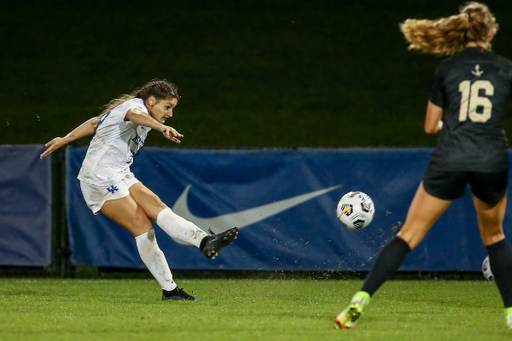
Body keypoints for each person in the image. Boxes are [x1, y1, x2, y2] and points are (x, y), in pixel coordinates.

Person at [335, 2, 512, 329]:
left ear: (460, 32)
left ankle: (360, 300)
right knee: (495, 236)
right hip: (491, 158)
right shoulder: (505, 68)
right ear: (489, 32)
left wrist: (458, 126)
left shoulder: (447, 69)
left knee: (408, 235)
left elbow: (431, 126)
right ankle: (511, 314)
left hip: (452, 157)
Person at [40, 80, 239, 301]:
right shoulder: (135, 108)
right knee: (143, 228)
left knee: (157, 205)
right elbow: (134, 114)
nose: (170, 113)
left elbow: (96, 123)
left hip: (119, 172)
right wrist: (161, 127)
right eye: (167, 106)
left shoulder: (137, 111)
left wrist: (65, 139)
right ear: (151, 101)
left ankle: (204, 241)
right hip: (99, 178)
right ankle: (170, 290)